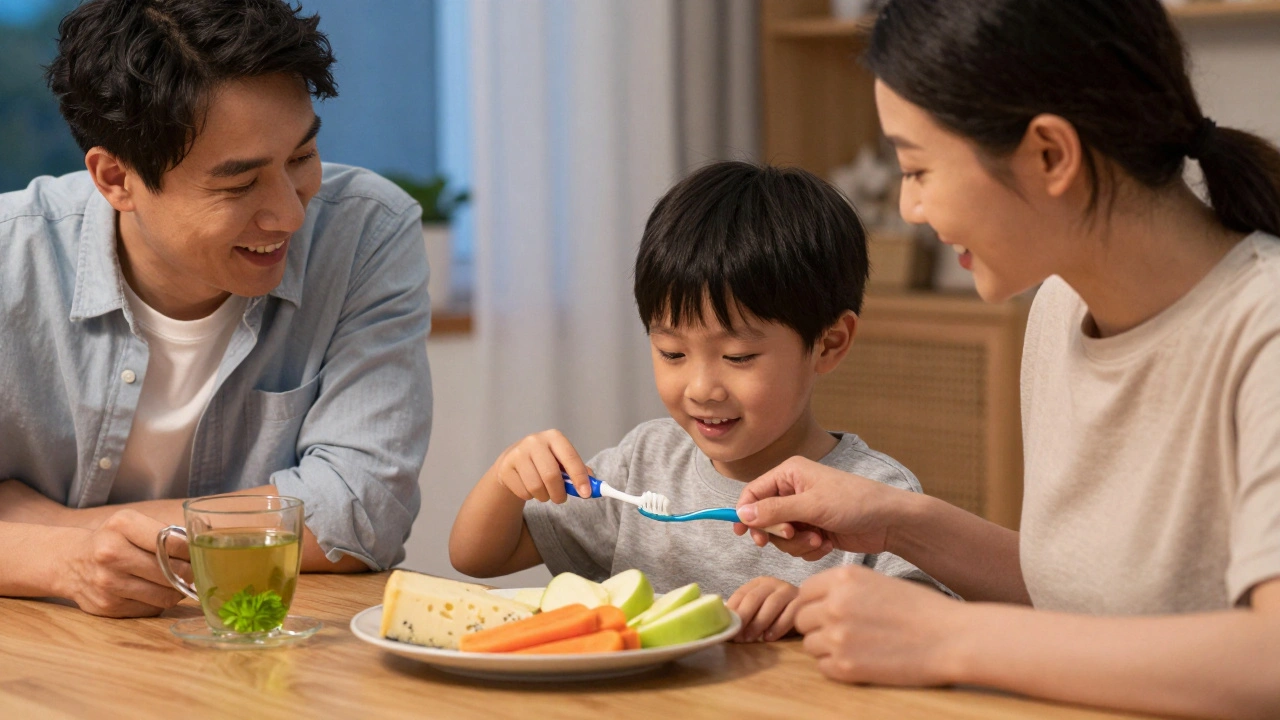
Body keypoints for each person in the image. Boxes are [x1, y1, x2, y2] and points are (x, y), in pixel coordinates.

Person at [731, 0, 1280, 716]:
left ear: (1050, 155)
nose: (909, 209)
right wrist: (896, 521)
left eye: (918, 168)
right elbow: (1098, 603)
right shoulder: (1059, 308)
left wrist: (947, 637)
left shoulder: (1262, 326)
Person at [0, 0, 432, 618]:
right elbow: (324, 515)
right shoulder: (11, 258)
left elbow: (361, 511)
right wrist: (63, 561)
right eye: (238, 184)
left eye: (301, 158)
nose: (289, 214)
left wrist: (52, 527)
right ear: (116, 178)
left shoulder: (366, 232)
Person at [450, 161, 951, 643]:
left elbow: (927, 628)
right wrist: (506, 480)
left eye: (738, 356)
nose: (700, 387)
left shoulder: (875, 495)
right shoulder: (645, 464)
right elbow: (476, 558)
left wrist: (810, 611)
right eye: (672, 352)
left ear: (829, 343)